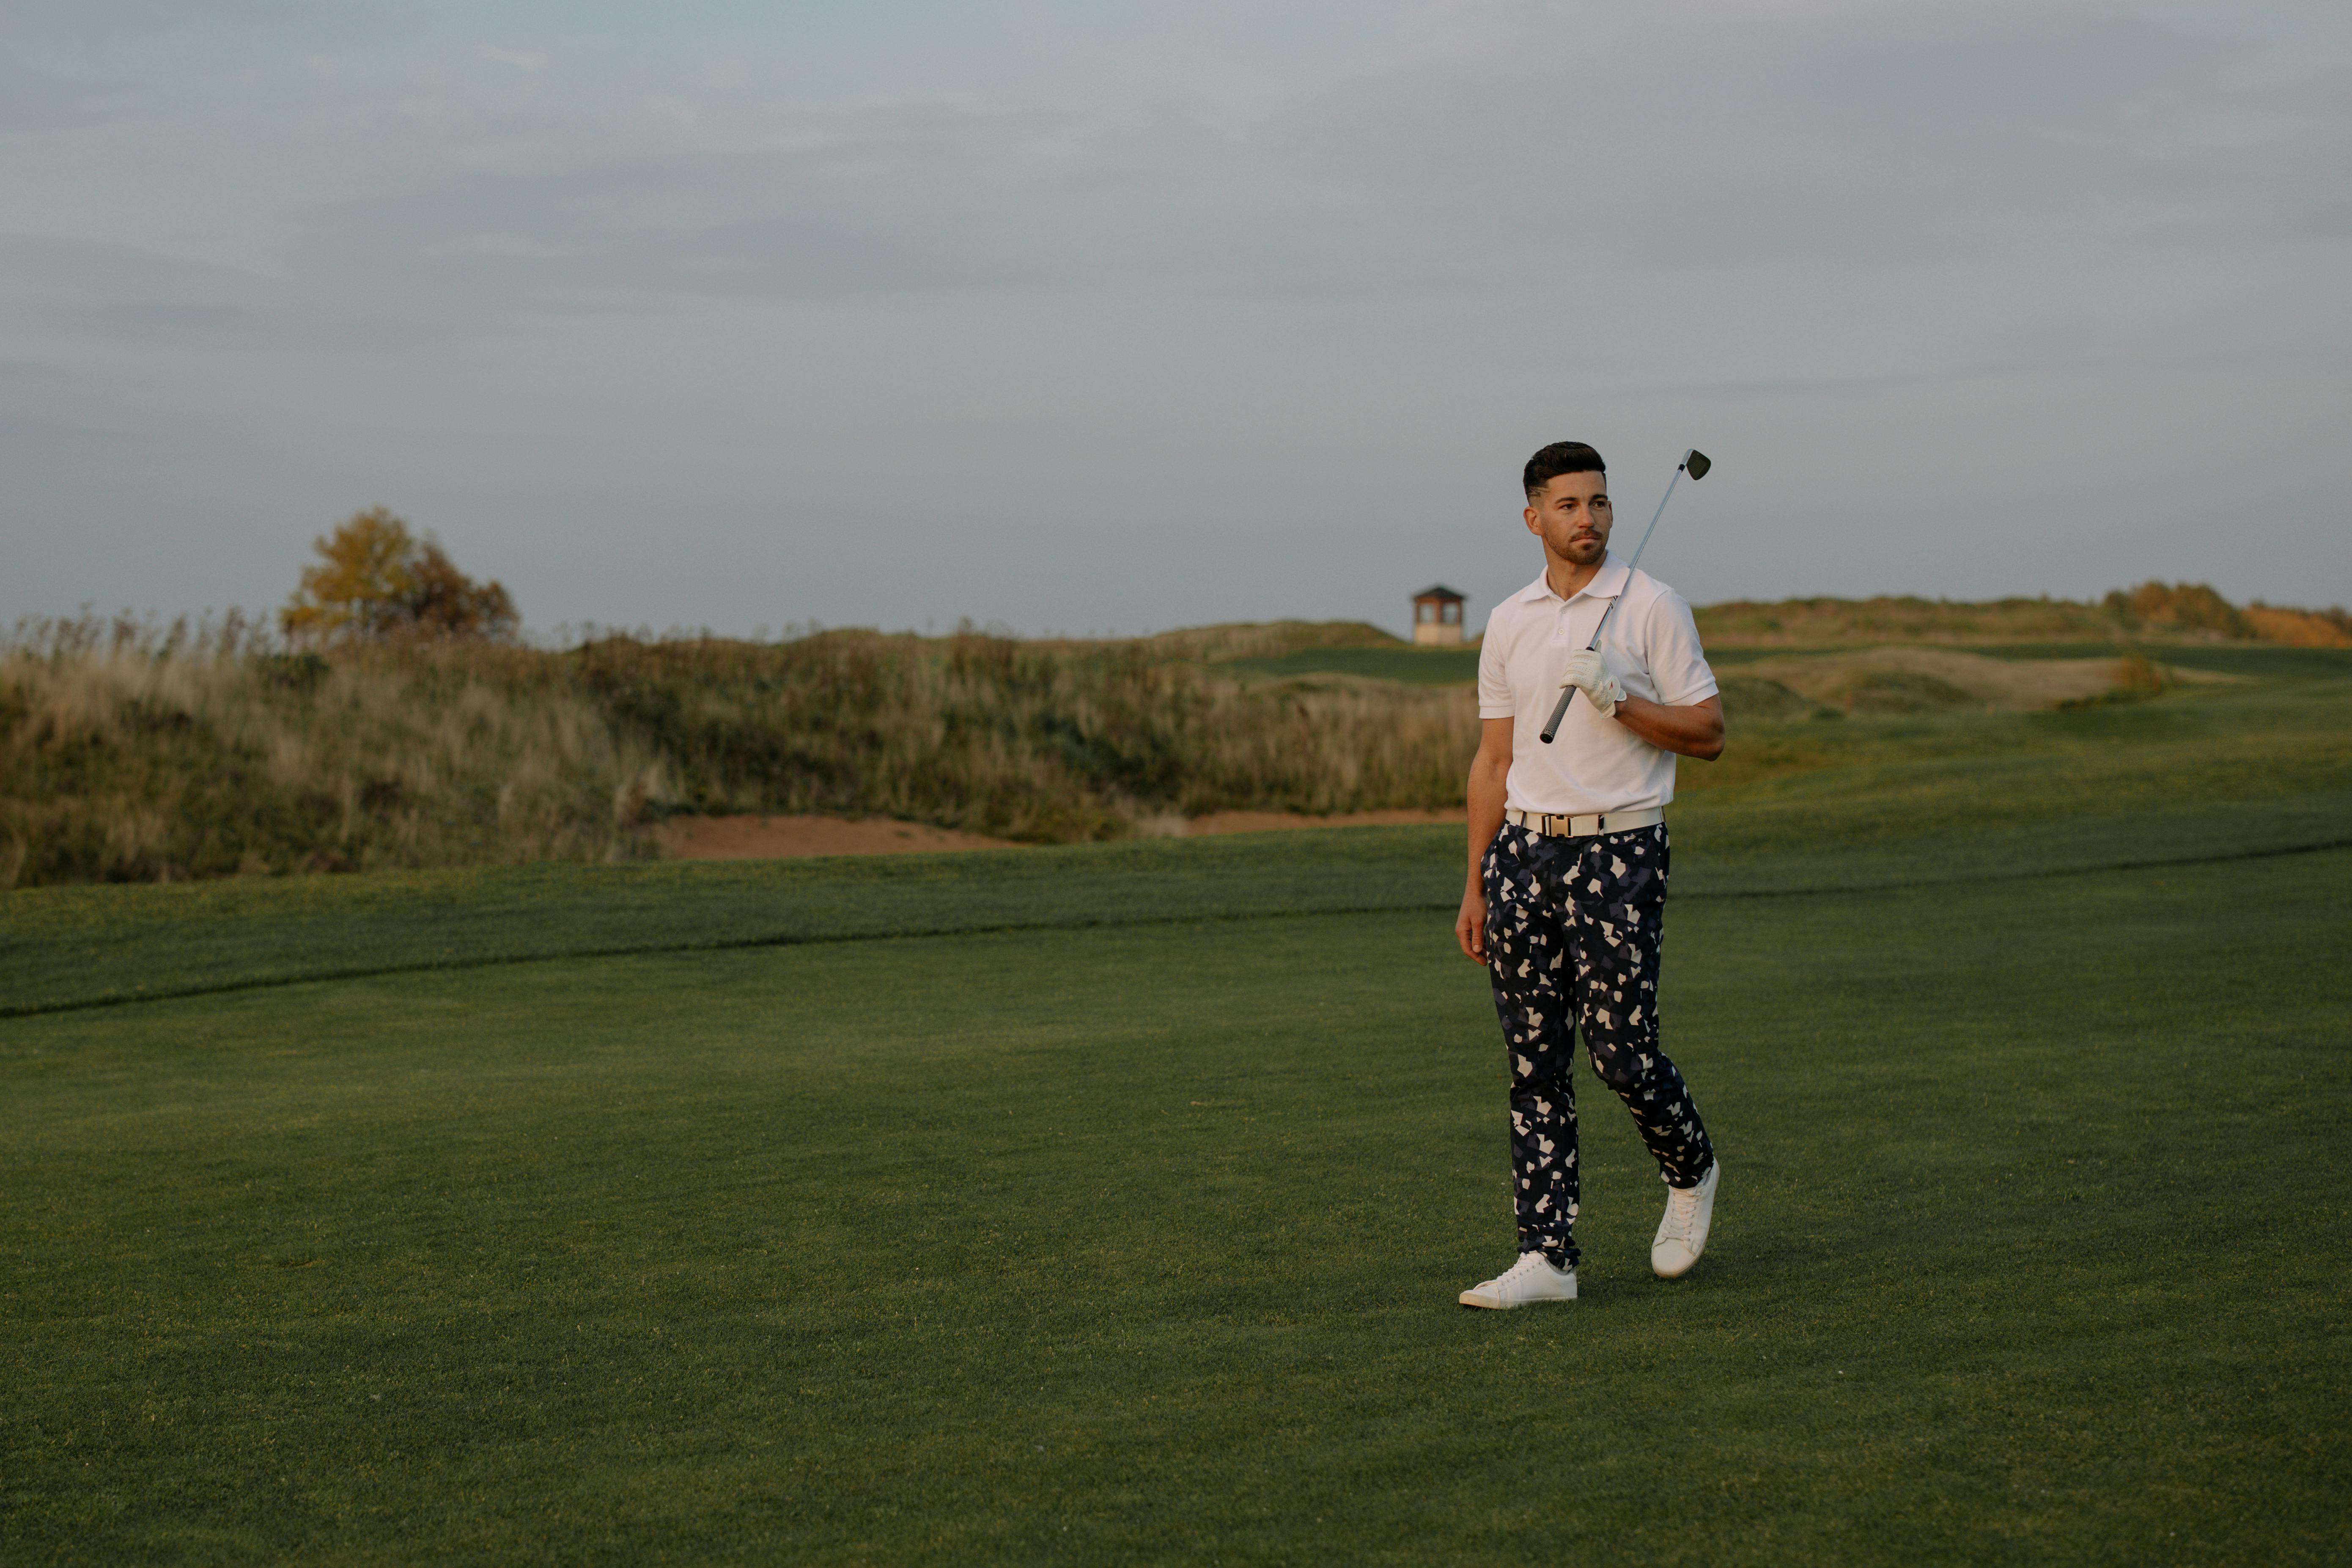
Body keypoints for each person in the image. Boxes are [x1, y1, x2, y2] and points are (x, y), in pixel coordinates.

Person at [1454, 441, 1725, 1309]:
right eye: (1570, 505)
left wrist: (1621, 701)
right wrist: (1475, 883)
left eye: (1600, 503)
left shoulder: (1651, 606)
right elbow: (1494, 761)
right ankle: (1548, 1257)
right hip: (1525, 855)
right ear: (1534, 518)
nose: (1591, 519)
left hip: (1620, 850)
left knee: (1621, 1053)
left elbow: (1709, 732)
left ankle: (1691, 1168)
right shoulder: (1509, 620)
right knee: (1533, 1062)